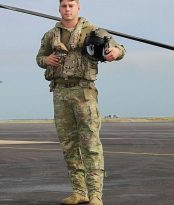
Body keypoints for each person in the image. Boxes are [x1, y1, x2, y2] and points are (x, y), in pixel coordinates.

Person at [36, 1, 125, 205]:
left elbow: (119, 49)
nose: (67, 9)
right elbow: (39, 58)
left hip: (84, 91)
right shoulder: (51, 34)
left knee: (90, 144)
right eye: (64, 6)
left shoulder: (94, 31)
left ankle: (95, 195)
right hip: (60, 92)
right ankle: (79, 192)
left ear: (78, 8)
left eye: (71, 5)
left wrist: (116, 53)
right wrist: (46, 60)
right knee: (68, 144)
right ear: (59, 9)